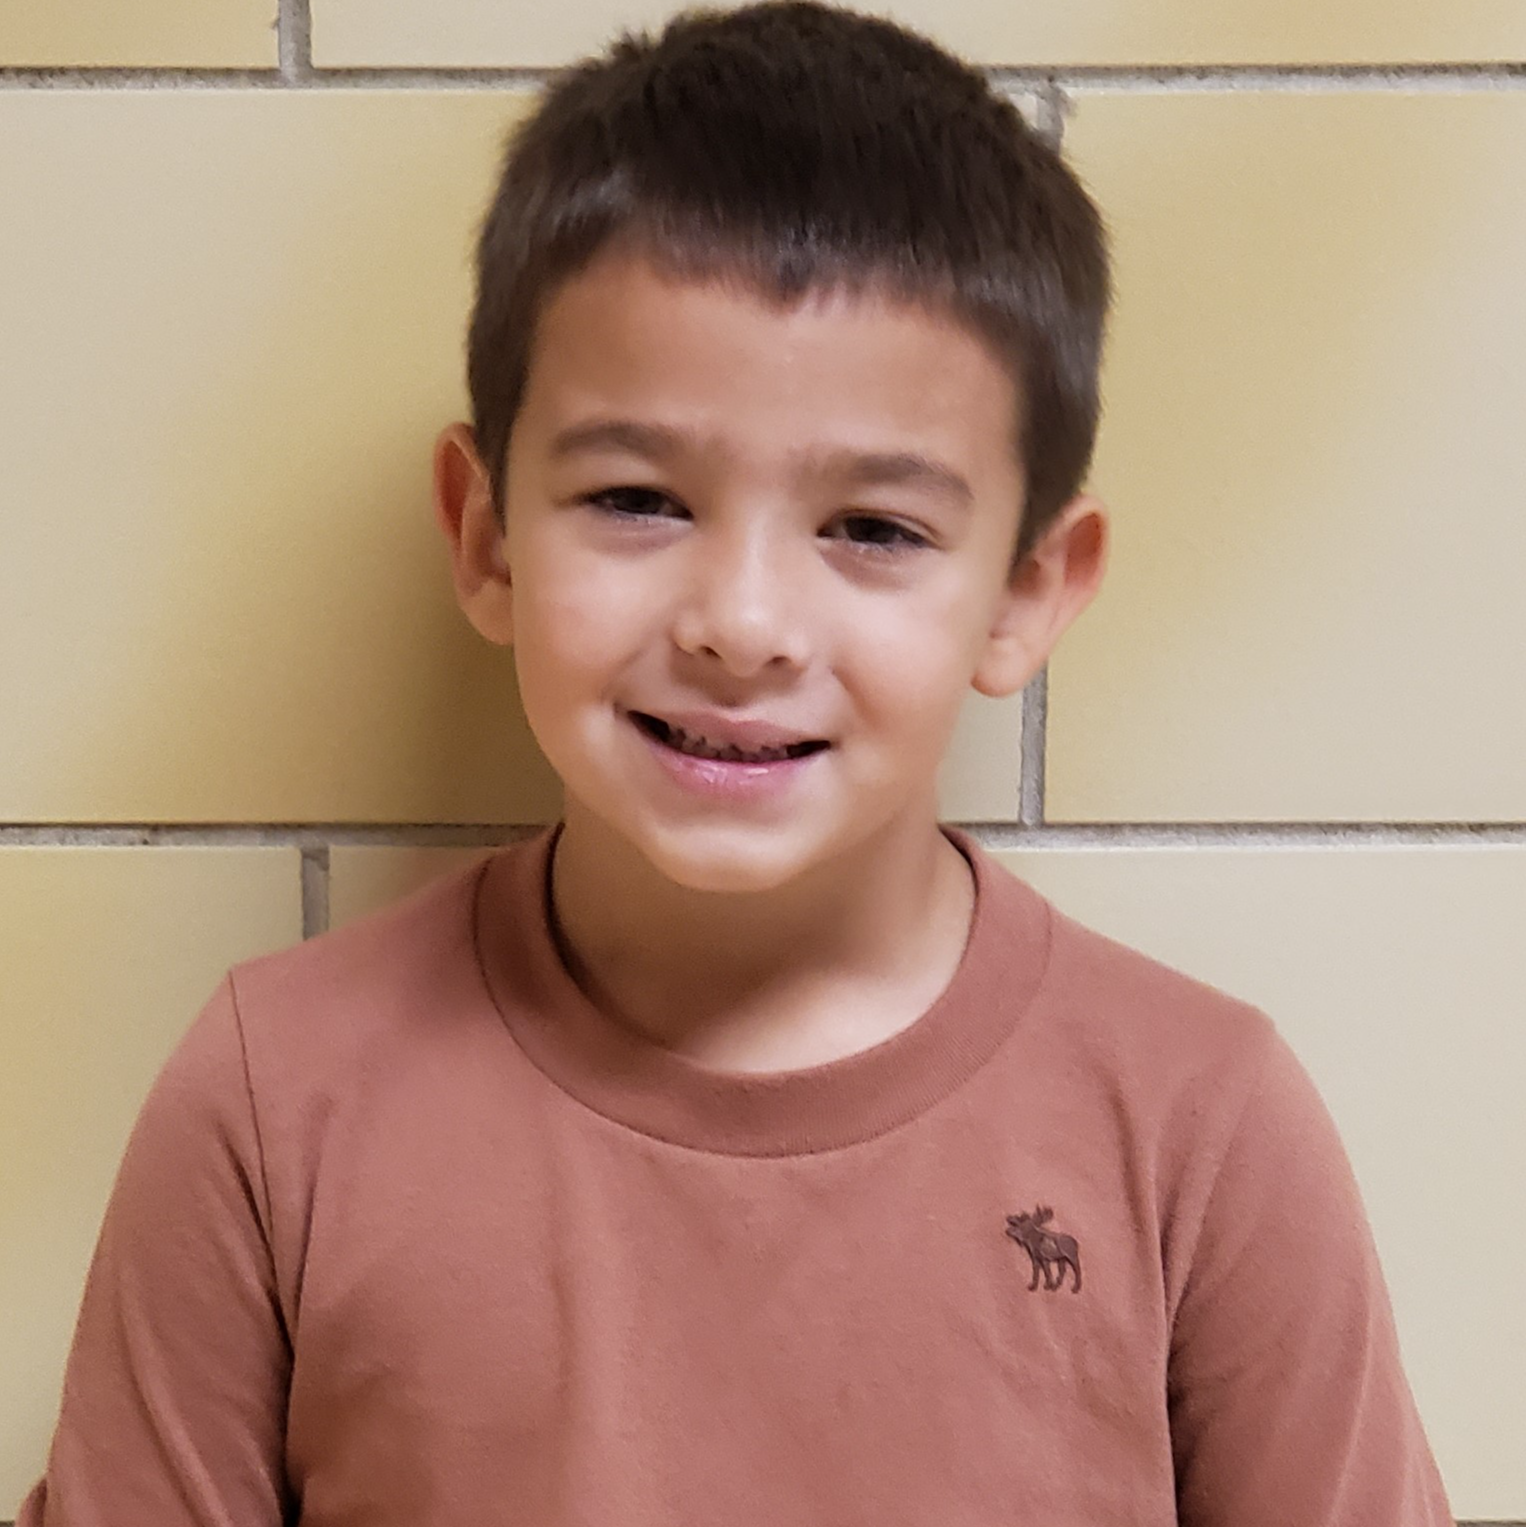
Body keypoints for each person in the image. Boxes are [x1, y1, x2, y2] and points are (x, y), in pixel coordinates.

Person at [17, 4, 1453, 1523]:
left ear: (1025, 592)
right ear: (488, 537)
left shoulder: (1198, 1126)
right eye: (637, 498)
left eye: (872, 528)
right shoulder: (273, 1096)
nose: (743, 624)